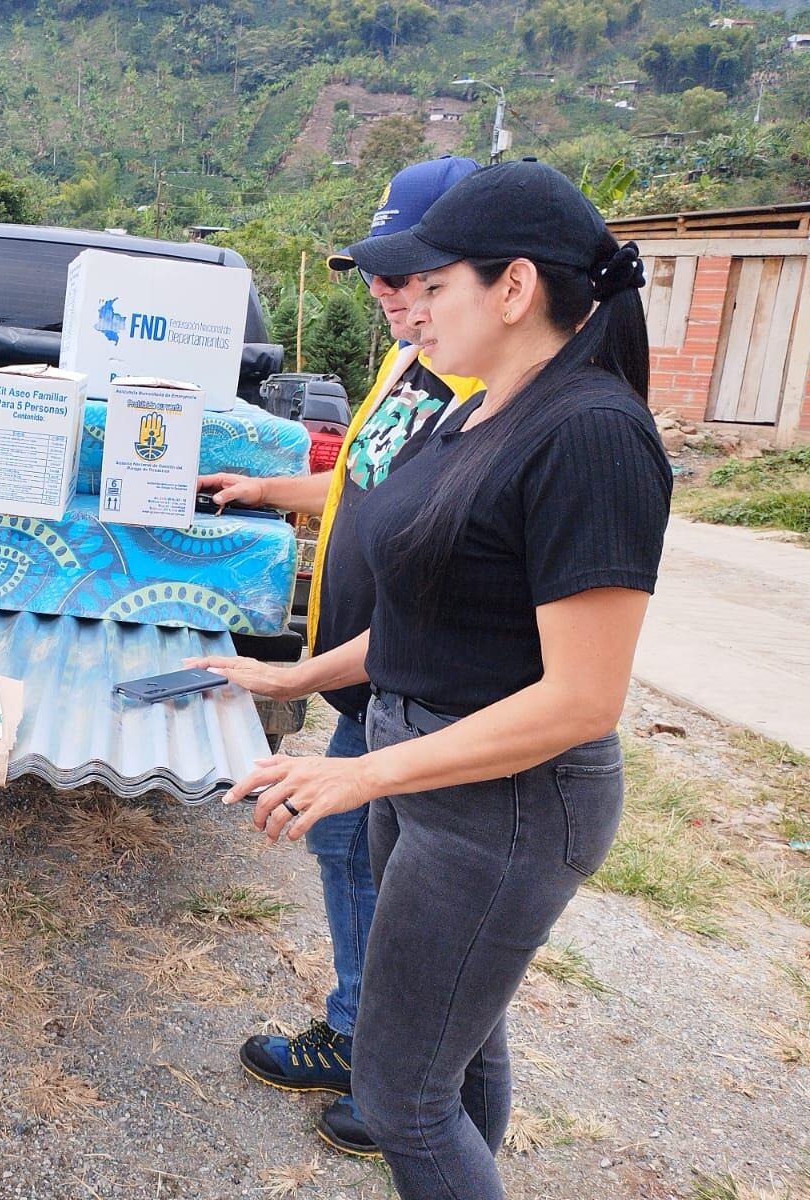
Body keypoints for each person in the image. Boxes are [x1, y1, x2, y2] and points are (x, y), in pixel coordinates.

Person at [194, 160, 670, 1197]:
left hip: (506, 803)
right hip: (424, 766)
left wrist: (362, 775)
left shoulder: (590, 434)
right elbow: (421, 620)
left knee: (401, 1088)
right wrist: (292, 681)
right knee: (458, 1057)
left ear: (512, 288)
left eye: (434, 286)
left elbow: (581, 699)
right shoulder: (473, 411)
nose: (409, 312)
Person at [195, 155, 481, 1158]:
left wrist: (296, 675)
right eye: (380, 272)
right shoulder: (410, 364)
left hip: (409, 680)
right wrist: (264, 491)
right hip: (363, 670)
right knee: (351, 850)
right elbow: (362, 486)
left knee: (390, 872)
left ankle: (382, 1060)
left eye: (410, 276)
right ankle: (365, 1032)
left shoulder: (489, 383)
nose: (385, 292)